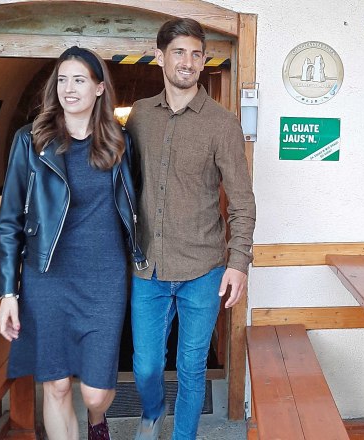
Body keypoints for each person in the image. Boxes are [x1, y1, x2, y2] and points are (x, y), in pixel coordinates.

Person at [0, 46, 148, 440]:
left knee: (96, 391)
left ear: (99, 88)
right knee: (57, 384)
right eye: (62, 80)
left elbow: (132, 205)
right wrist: (8, 293)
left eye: (79, 79)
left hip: (104, 278)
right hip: (47, 277)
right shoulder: (31, 142)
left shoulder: (119, 142)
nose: (68, 88)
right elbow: (9, 221)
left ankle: (97, 421)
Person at [125, 18, 256, 440]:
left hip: (203, 268)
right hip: (148, 266)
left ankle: (183, 436)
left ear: (204, 61)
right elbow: (125, 186)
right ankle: (151, 414)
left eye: (196, 54)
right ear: (160, 56)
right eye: (178, 52)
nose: (188, 61)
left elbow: (242, 201)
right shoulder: (141, 114)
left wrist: (238, 264)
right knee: (145, 364)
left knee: (192, 365)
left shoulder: (222, 123)